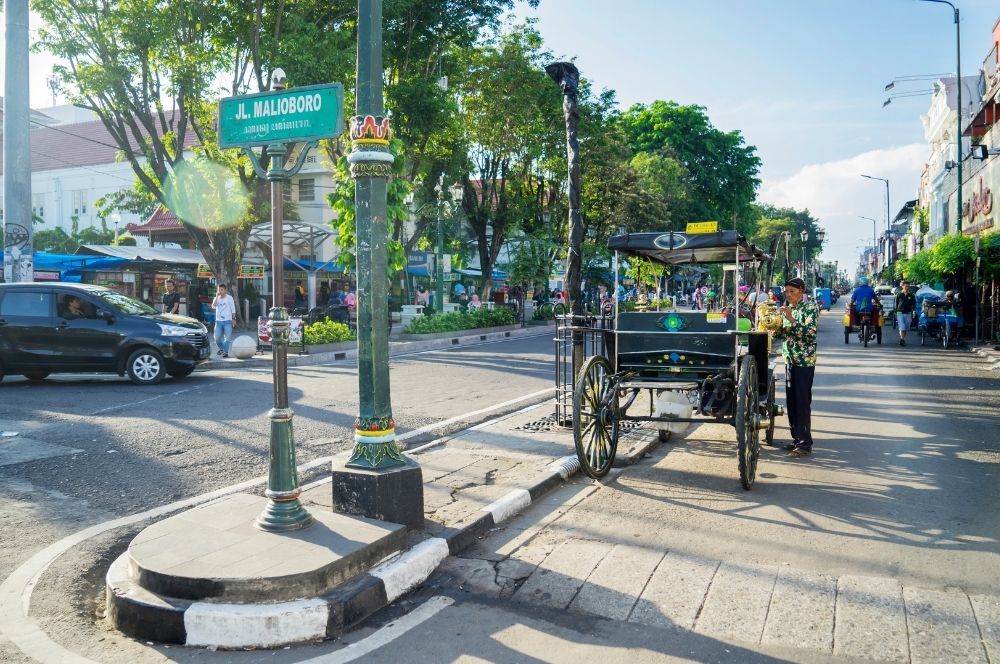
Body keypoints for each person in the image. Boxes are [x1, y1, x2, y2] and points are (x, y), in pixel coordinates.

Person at [779, 277, 819, 457]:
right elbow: (783, 332)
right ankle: (796, 439)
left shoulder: (810, 308)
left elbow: (810, 333)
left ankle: (804, 444)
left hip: (804, 361)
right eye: (786, 292)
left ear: (801, 291)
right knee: (791, 401)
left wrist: (790, 319)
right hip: (790, 360)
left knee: (802, 402)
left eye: (792, 292)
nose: (789, 295)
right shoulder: (789, 309)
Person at [211, 284, 237, 358]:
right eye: (219, 290)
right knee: (217, 338)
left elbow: (233, 309)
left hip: (227, 321)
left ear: (225, 290)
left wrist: (234, 318)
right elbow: (213, 306)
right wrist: (216, 296)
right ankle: (222, 349)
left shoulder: (229, 298)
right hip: (218, 321)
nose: (220, 291)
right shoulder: (217, 298)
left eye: (221, 290)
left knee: (228, 338)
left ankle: (225, 352)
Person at [895, 281, 916, 346]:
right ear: (903, 286)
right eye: (906, 286)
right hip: (900, 312)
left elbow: (914, 304)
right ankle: (902, 339)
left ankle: (903, 338)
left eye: (908, 286)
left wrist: (914, 311)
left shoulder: (911, 295)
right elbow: (896, 303)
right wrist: (896, 312)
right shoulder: (899, 294)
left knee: (906, 327)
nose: (907, 287)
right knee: (902, 326)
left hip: (908, 313)